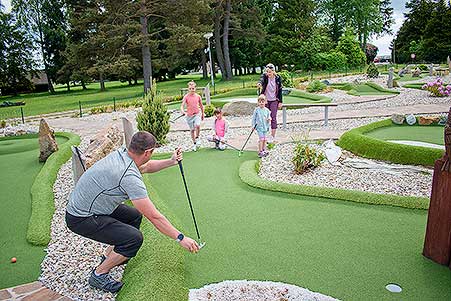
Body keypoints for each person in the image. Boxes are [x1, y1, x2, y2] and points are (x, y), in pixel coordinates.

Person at [65, 131, 200, 293]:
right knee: (134, 239)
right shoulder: (128, 176)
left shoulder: (123, 154)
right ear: (148, 152)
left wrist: (171, 161)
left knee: (133, 216)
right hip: (81, 217)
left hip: (91, 206)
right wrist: (180, 238)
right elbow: (154, 216)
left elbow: (146, 166)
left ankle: (109, 256)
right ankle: (99, 274)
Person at [257, 63, 283, 143]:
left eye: (270, 72)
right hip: (266, 100)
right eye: (267, 72)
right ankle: (264, 136)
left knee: (273, 118)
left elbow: (280, 90)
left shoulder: (278, 78)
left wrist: (280, 102)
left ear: (273, 71)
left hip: (274, 100)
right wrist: (259, 84)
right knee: (264, 118)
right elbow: (261, 80)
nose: (268, 73)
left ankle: (272, 136)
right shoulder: (265, 76)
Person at [181, 81, 204, 151]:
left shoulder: (198, 96)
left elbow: (201, 105)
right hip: (189, 116)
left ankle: (197, 138)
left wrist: (203, 114)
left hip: (197, 114)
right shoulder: (186, 97)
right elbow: (182, 106)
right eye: (190, 88)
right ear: (188, 89)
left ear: (195, 88)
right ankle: (194, 144)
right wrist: (183, 111)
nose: (192, 90)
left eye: (193, 88)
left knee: (197, 125)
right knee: (192, 130)